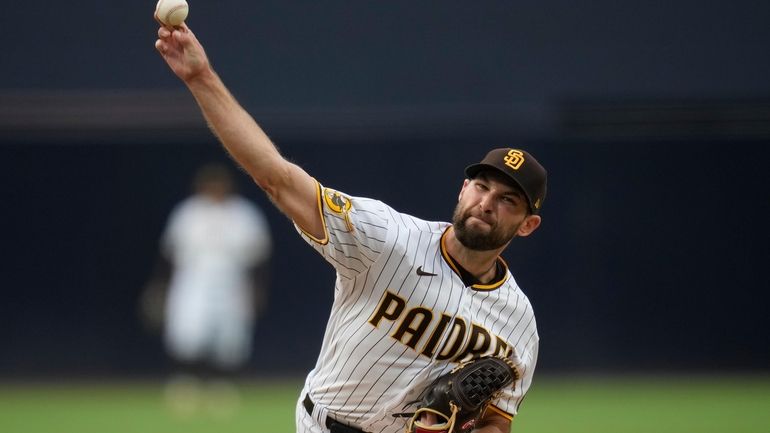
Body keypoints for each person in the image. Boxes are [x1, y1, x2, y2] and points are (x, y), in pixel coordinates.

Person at [154, 21, 546, 433]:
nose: (486, 204)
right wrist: (201, 78)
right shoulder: (385, 238)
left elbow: (498, 421)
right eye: (481, 187)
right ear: (464, 188)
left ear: (527, 224)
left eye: (507, 200)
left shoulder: (518, 322)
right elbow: (277, 177)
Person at [142, 162, 272, 417]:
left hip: (232, 281)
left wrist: (258, 288)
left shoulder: (243, 215)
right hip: (193, 280)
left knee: (229, 338)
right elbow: (168, 255)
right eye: (210, 185)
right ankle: (185, 385)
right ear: (200, 187)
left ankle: (220, 388)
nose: (215, 189)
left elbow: (259, 258)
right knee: (188, 333)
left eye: (219, 185)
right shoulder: (188, 213)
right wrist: (160, 286)